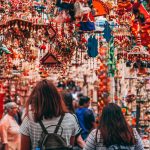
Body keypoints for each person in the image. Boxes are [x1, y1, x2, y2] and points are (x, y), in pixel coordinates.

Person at [20, 79, 82, 150]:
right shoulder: (71, 118)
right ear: (57, 97)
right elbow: (70, 145)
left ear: (36, 98)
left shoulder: (29, 119)